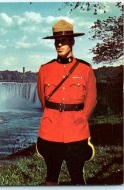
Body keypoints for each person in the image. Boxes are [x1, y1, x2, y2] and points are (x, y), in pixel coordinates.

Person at [36, 19, 97, 185]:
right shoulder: (44, 70)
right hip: (50, 131)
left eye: (63, 41)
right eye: (57, 42)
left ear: (72, 42)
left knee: (77, 176)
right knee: (51, 176)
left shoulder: (85, 69)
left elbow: (91, 99)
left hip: (76, 131)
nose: (59, 45)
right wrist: (52, 116)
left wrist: (79, 120)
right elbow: (43, 100)